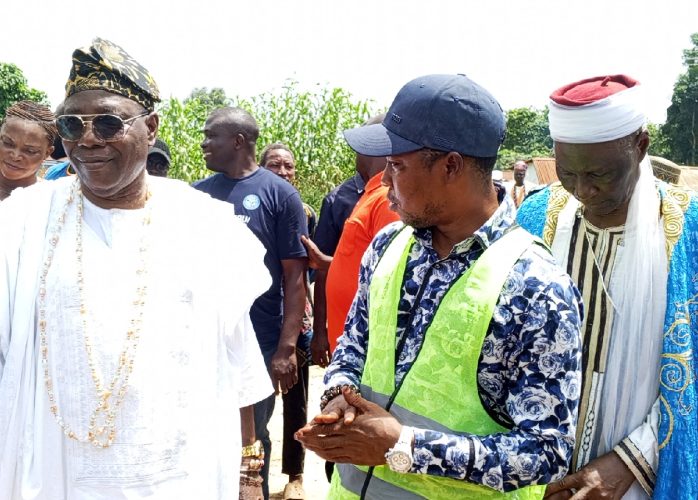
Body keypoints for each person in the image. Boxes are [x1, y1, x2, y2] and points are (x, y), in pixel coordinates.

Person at [0, 38, 274, 500]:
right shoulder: (21, 223)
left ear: (150, 126)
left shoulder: (204, 225)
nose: (88, 139)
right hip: (55, 479)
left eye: (109, 123)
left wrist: (249, 469)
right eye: (71, 124)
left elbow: (237, 352)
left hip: (178, 480)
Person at [295, 74, 584, 499]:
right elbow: (354, 347)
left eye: (397, 166)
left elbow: (546, 451)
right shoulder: (388, 246)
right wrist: (340, 395)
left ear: (451, 166)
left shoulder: (537, 288)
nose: (384, 181)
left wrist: (404, 447)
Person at [517, 75, 698, 500]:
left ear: (640, 146)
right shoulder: (536, 218)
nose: (583, 190)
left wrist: (629, 462)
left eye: (599, 173)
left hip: (639, 478)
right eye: (568, 173)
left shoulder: (687, 230)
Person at [195, 109, 308, 500]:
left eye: (211, 136)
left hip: (260, 340)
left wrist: (286, 348)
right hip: (206, 339)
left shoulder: (280, 195)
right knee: (207, 430)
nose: (204, 144)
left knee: (253, 434)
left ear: (238, 141)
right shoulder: (197, 195)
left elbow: (295, 277)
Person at [302, 113, 400, 364]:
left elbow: (391, 275)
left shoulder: (386, 199)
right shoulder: (370, 194)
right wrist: (329, 263)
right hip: (351, 345)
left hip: (367, 349)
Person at [259, 141, 314, 500]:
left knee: (297, 401)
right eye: (274, 165)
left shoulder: (305, 212)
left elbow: (311, 271)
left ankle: (295, 475)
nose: (282, 171)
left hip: (297, 321)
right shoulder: (250, 206)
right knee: (256, 401)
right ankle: (252, 476)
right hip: (262, 320)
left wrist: (313, 321)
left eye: (288, 166)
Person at [0, 101, 56, 200]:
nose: (15, 156)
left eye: (30, 151)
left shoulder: (50, 200)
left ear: (47, 153)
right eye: (8, 143)